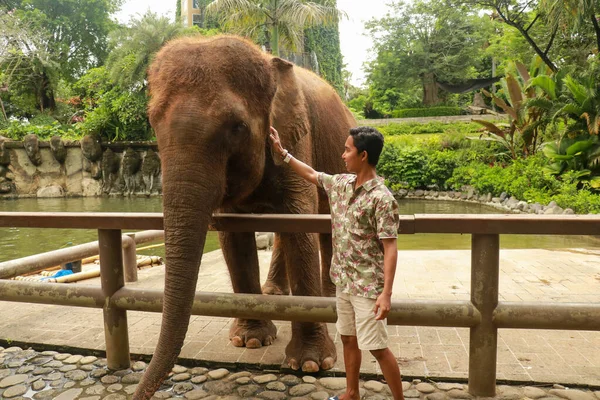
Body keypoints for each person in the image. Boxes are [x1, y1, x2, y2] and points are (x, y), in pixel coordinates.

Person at [269, 125, 405, 400]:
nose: (343, 155)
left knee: (378, 348)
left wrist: (386, 294)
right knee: (347, 338)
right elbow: (311, 174)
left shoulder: (382, 199)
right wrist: (282, 153)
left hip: (368, 288)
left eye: (347, 150)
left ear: (363, 155)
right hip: (343, 281)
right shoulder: (341, 184)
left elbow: (390, 248)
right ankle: (351, 393)